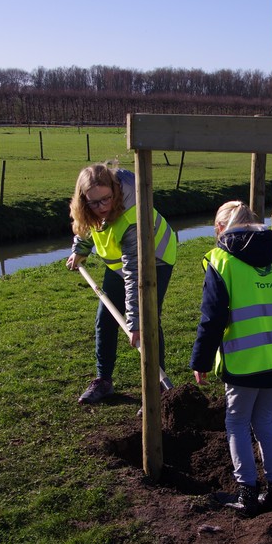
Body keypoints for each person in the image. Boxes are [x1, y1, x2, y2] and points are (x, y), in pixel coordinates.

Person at [190, 201, 272, 517]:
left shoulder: (221, 260)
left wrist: (200, 360)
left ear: (220, 229)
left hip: (245, 361)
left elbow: (211, 318)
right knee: (264, 420)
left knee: (237, 422)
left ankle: (247, 493)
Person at [66, 163, 177, 405]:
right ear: (84, 201)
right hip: (120, 263)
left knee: (148, 321)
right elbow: (85, 226)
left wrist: (135, 322)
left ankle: (159, 390)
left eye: (106, 199)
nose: (102, 207)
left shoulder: (132, 212)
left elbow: (135, 274)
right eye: (94, 203)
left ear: (115, 191)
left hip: (155, 258)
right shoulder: (89, 208)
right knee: (105, 317)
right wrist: (80, 249)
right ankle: (103, 381)